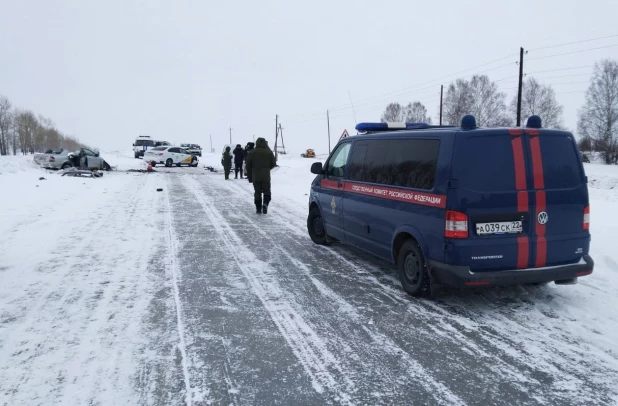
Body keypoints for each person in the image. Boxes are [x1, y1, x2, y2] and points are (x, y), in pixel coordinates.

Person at [245, 137, 275, 214]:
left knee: (257, 192)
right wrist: (267, 168)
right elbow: (273, 163)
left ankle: (258, 208)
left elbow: (248, 165)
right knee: (267, 191)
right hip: (266, 176)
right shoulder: (269, 152)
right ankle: (265, 204)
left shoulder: (252, 152)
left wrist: (250, 175)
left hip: (256, 176)